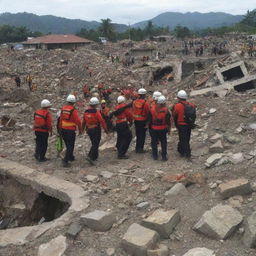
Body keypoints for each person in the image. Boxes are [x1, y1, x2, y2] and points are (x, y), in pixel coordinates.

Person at [83, 97, 108, 164]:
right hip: (96, 129)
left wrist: (82, 129)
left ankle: (95, 156)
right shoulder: (96, 112)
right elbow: (102, 121)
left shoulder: (86, 112)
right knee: (95, 143)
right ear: (96, 104)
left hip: (89, 130)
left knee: (93, 142)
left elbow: (83, 121)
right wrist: (105, 129)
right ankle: (90, 156)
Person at [60, 94, 82, 167]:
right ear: (74, 102)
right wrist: (80, 129)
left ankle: (71, 156)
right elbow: (78, 121)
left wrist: (60, 129)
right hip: (70, 131)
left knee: (68, 144)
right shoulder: (73, 110)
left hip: (63, 129)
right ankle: (66, 160)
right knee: (70, 145)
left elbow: (60, 119)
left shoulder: (63, 109)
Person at [172, 90, 196, 159]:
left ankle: (185, 153)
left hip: (181, 124)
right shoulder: (191, 105)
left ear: (178, 98)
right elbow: (194, 114)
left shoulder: (177, 106)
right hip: (189, 124)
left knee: (182, 139)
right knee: (187, 138)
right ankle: (184, 151)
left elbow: (174, 114)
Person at [149, 96, 171, 161]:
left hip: (154, 128)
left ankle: (155, 156)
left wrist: (150, 128)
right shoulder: (166, 110)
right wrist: (169, 129)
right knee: (163, 142)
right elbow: (168, 121)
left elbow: (149, 119)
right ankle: (164, 156)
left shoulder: (152, 109)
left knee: (154, 142)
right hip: (162, 129)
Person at [132, 88, 150, 153]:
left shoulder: (134, 102)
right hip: (143, 121)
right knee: (142, 135)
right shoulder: (146, 103)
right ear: (144, 95)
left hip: (136, 121)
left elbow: (133, 111)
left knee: (138, 134)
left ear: (139, 94)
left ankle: (137, 148)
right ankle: (140, 149)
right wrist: (148, 122)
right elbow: (148, 113)